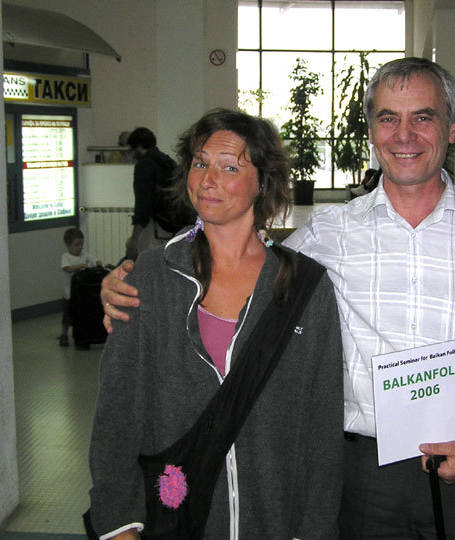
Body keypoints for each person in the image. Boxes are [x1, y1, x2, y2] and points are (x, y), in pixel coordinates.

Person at [100, 58, 455, 539]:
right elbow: (241, 258)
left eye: (423, 117)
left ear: (451, 128)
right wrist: (136, 278)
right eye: (388, 118)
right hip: (362, 480)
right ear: (371, 131)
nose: (403, 135)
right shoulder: (329, 233)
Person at [88, 109, 343, 539]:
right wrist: (118, 525)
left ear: (262, 182)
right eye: (200, 163)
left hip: (273, 517)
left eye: (229, 167)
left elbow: (321, 425)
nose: (208, 180)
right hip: (174, 519)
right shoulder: (150, 278)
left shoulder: (303, 288)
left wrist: (313, 530)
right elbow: (117, 413)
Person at [125, 127, 179, 260]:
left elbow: (143, 204)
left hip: (155, 225)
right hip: (174, 224)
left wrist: (134, 239)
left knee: (147, 266)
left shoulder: (144, 165)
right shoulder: (168, 162)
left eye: (132, 150)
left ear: (138, 147)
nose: (132, 155)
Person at [59, 227, 101, 347]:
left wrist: (97, 263)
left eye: (81, 245)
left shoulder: (84, 255)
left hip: (81, 294)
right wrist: (80, 266)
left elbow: (94, 259)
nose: (79, 248)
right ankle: (64, 334)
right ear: (68, 244)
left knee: (82, 314)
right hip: (69, 294)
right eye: (76, 245)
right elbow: (67, 268)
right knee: (67, 316)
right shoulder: (66, 257)